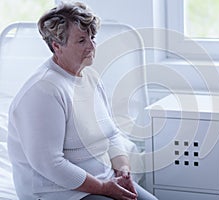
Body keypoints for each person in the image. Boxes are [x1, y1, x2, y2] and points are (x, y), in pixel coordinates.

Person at [7, 2, 158, 200]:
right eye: (81, 41)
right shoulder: (44, 90)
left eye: (92, 38)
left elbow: (111, 135)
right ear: (57, 46)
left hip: (101, 181)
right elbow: (50, 164)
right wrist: (103, 187)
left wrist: (123, 170)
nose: (92, 46)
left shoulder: (91, 78)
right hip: (58, 192)